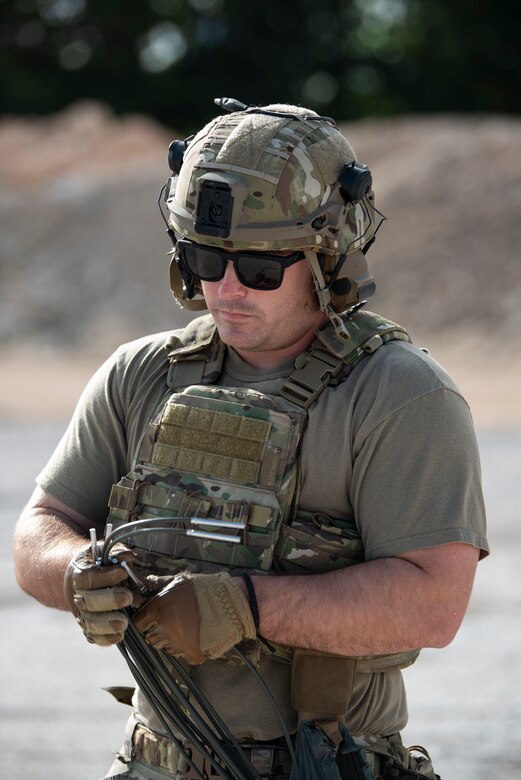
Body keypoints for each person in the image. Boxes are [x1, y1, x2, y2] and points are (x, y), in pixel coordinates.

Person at [14, 99, 488, 780]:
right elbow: (42, 526)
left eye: (262, 267)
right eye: (206, 257)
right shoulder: (141, 374)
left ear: (327, 255)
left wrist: (245, 607)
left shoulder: (400, 396)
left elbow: (432, 604)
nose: (227, 286)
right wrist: (76, 572)